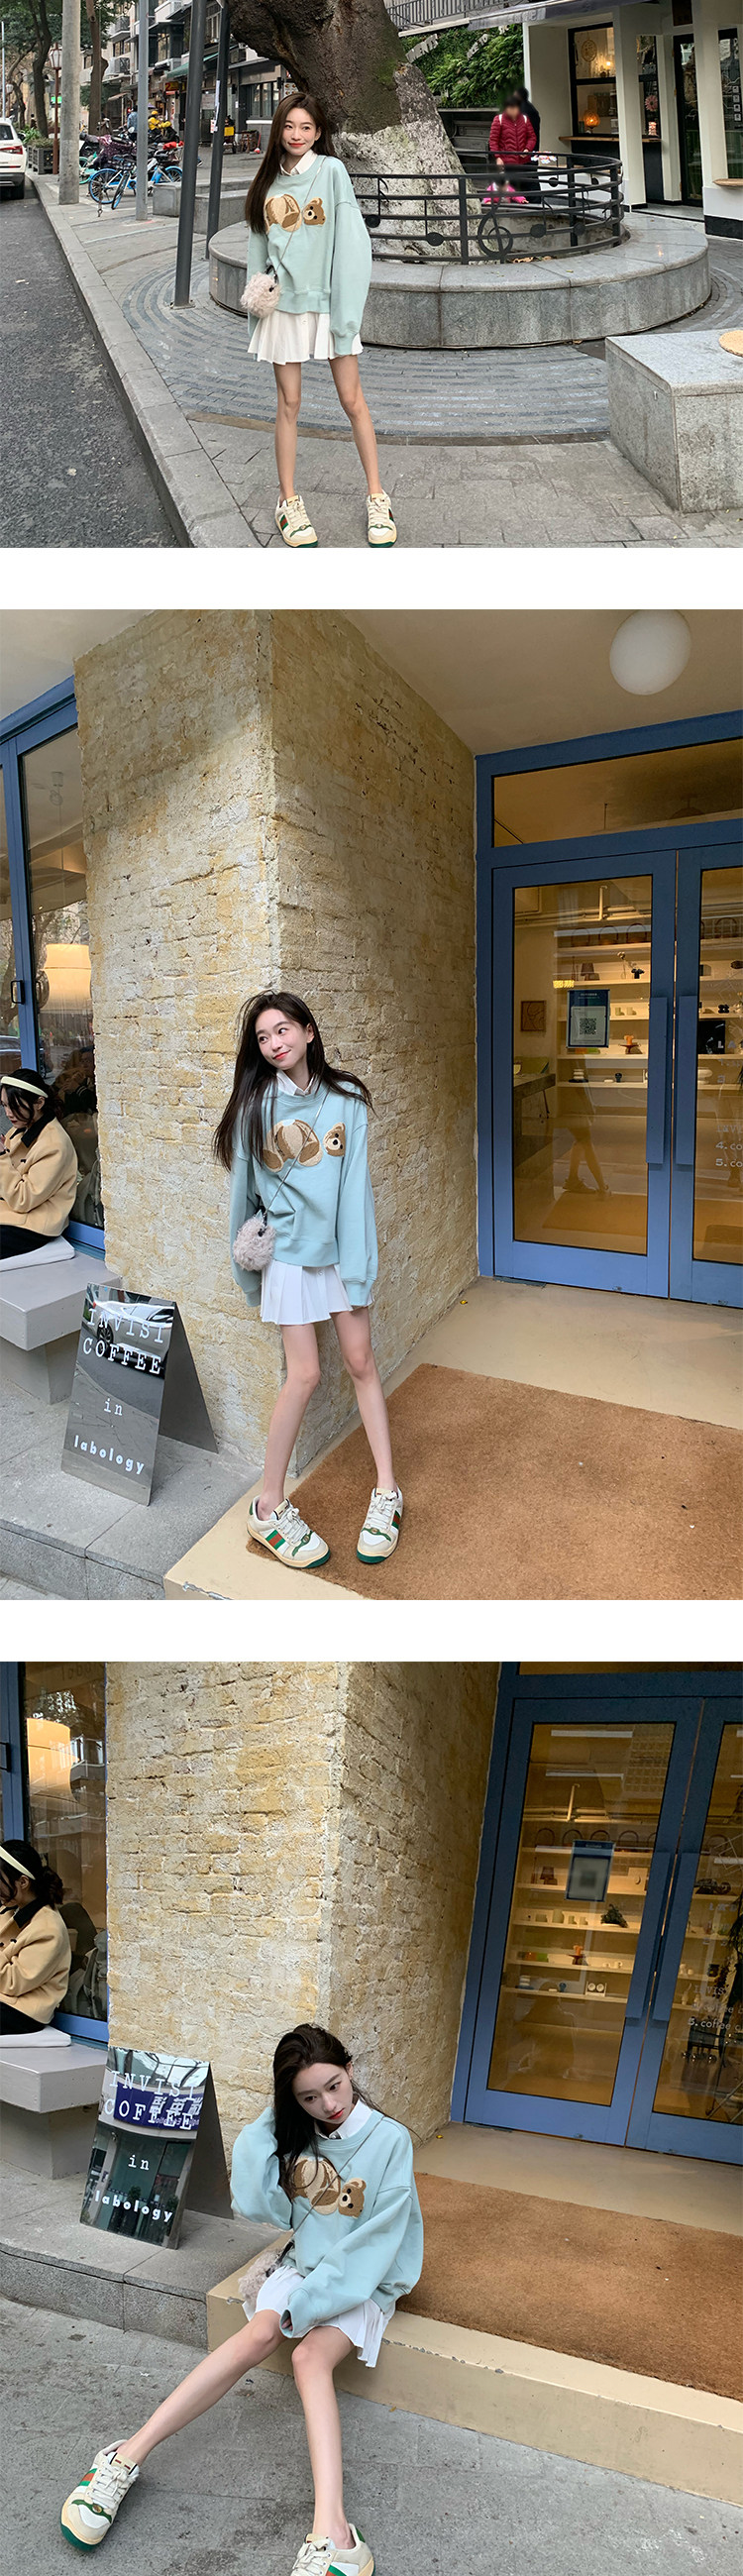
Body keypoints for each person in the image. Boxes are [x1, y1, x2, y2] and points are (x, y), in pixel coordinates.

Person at [60, 2022, 424, 2566]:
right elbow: (263, 2208)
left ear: (350, 2071)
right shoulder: (300, 2131)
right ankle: (122, 2459)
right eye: (308, 2097)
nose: (328, 2105)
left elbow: (375, 2244)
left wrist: (309, 2304)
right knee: (257, 2336)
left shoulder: (390, 2141)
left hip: (363, 2278)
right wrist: (275, 2121)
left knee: (308, 2358)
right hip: (305, 2265)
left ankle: (335, 2534)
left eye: (334, 2086)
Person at [214, 989, 403, 1571]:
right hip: (289, 1260)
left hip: (339, 1254)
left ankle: (388, 1492)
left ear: (308, 1031)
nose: (274, 1044)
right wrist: (248, 1277)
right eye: (263, 1037)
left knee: (361, 1361)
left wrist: (358, 1272)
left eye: (282, 1030)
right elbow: (242, 1198)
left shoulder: (347, 1102)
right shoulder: (254, 1107)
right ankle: (268, 1507)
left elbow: (355, 1198)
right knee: (305, 1374)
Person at [244, 91, 397, 550]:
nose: (297, 135)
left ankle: (377, 496)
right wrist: (256, 314)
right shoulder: (267, 182)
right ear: (279, 129)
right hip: (282, 309)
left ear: (318, 132)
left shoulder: (331, 172)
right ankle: (288, 500)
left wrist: (347, 316)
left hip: (328, 305)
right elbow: (258, 254)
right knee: (288, 404)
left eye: (306, 127)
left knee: (352, 400)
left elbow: (353, 247)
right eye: (290, 126)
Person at [0, 1067, 78, 1259]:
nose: (9, 1113)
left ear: (39, 1103)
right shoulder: (20, 1129)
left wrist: (1, 1156)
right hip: (14, 1214)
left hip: (33, 1225)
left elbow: (22, 1199)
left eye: (15, 1106)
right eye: (4, 1105)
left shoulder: (54, 1144)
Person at [0, 1842, 72, 2033]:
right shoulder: (11, 1909)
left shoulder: (48, 1928)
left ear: (23, 1882)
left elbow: (11, 1982)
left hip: (22, 2011)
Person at [488, 91, 539, 201]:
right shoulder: (499, 120)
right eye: (510, 108)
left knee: (528, 187)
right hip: (507, 162)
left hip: (523, 161)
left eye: (515, 108)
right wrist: (498, 157)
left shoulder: (524, 119)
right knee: (510, 190)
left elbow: (532, 137)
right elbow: (493, 140)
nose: (513, 111)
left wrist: (527, 149)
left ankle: (531, 205)